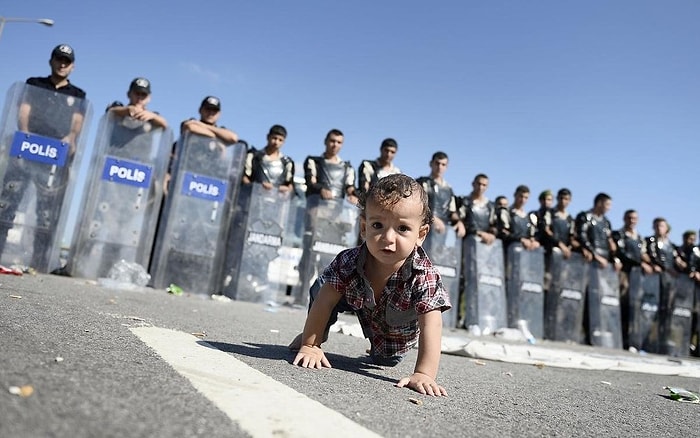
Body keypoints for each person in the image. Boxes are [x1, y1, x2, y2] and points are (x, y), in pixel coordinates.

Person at [289, 174, 450, 396]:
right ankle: (317, 333)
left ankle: (379, 350)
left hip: (395, 331)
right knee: (323, 285)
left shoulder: (424, 275)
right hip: (360, 301)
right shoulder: (349, 261)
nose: (388, 237)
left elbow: (432, 324)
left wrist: (424, 374)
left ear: (420, 234)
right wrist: (310, 344)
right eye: (378, 225)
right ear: (364, 228)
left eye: (402, 229)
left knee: (385, 359)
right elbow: (324, 300)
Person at [0, 44, 88, 269]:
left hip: (54, 156)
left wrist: (70, 139)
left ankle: (37, 263)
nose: (62, 64)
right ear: (51, 61)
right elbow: (23, 111)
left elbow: (77, 123)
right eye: (58, 59)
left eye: (66, 61)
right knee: (8, 202)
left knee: (46, 212)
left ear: (72, 66)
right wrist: (25, 133)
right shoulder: (34, 84)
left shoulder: (77, 95)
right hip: (27, 148)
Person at [612, 209, 653, 349]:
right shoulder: (619, 234)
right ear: (624, 218)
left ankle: (629, 340)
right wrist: (640, 263)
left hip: (638, 277)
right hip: (624, 274)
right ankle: (617, 337)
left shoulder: (640, 238)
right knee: (621, 304)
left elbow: (644, 255)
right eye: (629, 217)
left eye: (634, 218)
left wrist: (651, 263)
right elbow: (621, 253)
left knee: (634, 308)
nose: (632, 220)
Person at [417, 151, 465, 250]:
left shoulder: (449, 189)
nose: (440, 167)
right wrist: (432, 218)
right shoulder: (421, 183)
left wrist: (459, 222)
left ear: (446, 167)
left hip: (442, 233)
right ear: (431, 164)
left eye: (443, 164)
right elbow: (415, 206)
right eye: (437, 163)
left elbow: (452, 211)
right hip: (422, 229)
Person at [242, 124, 294, 192]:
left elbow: (290, 186)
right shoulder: (254, 156)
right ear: (268, 137)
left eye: (280, 140)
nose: (276, 142)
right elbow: (244, 177)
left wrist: (276, 188)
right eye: (274, 138)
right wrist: (256, 187)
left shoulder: (287, 163)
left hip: (277, 200)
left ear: (284, 142)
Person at [573, 192, 620, 269]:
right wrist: (594, 255)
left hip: (604, 260)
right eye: (607, 205)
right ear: (599, 203)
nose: (609, 208)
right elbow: (582, 236)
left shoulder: (606, 222)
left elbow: (609, 241)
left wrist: (614, 258)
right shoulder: (585, 217)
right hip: (589, 258)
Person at [496, 185, 540, 251]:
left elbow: (531, 234)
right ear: (515, 195)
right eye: (521, 196)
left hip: (525, 252)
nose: (523, 200)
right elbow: (503, 233)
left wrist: (534, 241)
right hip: (509, 251)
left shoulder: (528, 217)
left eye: (526, 198)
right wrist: (520, 239)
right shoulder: (506, 213)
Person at [459, 173, 497, 245]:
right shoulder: (464, 202)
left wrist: (492, 235)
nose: (480, 187)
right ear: (473, 184)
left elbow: (493, 225)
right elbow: (460, 221)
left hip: (485, 244)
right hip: (467, 242)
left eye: (484, 185)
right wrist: (478, 233)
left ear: (487, 187)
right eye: (479, 184)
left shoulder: (490, 206)